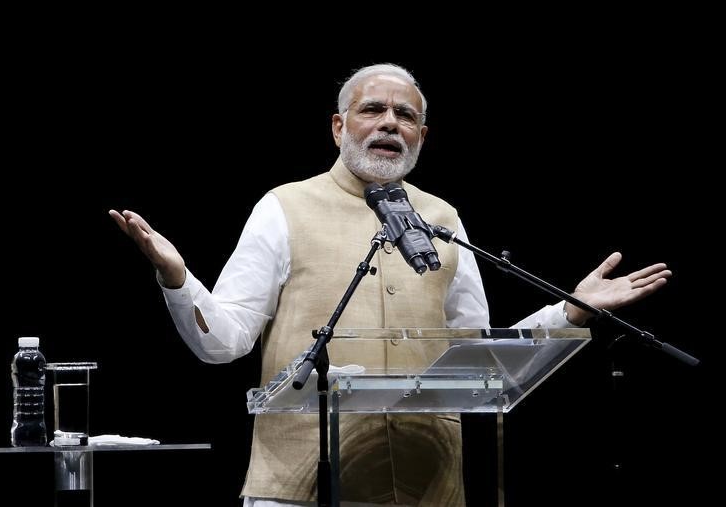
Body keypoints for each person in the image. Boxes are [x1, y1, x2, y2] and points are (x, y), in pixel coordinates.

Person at [109, 63, 671, 506]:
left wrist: (570, 312)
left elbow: (477, 352)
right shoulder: (284, 207)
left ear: (421, 135)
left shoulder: (443, 218)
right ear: (338, 126)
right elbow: (222, 341)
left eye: (404, 115)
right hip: (304, 486)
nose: (388, 123)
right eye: (371, 109)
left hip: (431, 485)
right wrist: (177, 277)